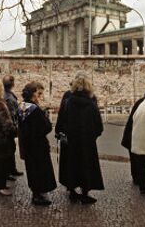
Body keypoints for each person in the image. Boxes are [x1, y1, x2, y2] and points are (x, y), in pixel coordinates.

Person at [56, 76, 104, 204]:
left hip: (69, 141)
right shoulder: (91, 103)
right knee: (86, 165)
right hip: (86, 142)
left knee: (70, 165)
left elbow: (60, 120)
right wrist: (91, 136)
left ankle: (72, 191)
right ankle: (85, 193)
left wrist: (61, 136)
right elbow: (99, 126)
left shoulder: (67, 101)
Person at [18, 81, 56, 206]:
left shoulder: (22, 106)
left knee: (32, 169)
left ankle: (36, 192)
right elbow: (46, 127)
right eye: (38, 93)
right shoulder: (34, 109)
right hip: (37, 145)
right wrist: (43, 114)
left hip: (27, 144)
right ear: (33, 94)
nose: (39, 96)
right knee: (40, 169)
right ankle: (38, 195)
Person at [122, 86, 145, 186]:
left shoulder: (141, 102)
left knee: (136, 160)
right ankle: (139, 181)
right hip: (134, 136)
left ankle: (137, 180)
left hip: (132, 135)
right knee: (139, 161)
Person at [2, 75, 24, 177]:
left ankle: (11, 169)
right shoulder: (9, 98)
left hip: (7, 126)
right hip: (10, 126)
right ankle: (8, 171)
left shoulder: (6, 94)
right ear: (13, 84)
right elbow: (13, 114)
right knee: (9, 149)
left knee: (10, 148)